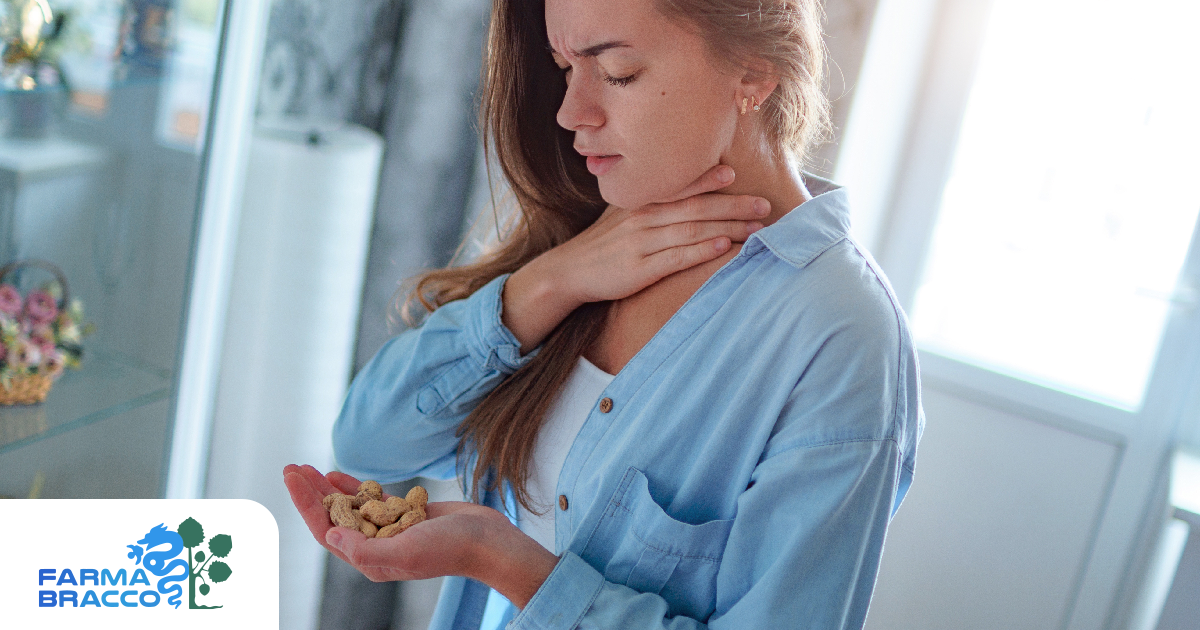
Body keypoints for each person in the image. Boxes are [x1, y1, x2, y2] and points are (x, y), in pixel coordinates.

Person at [284, 0, 924, 627]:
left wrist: (497, 557)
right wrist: (550, 282)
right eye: (565, 68)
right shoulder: (594, 230)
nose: (570, 113)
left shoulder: (841, 340)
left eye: (618, 72)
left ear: (754, 69)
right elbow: (369, 442)